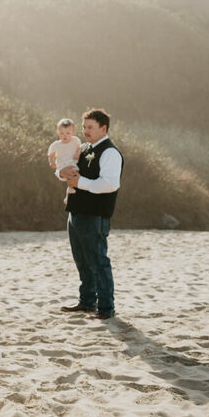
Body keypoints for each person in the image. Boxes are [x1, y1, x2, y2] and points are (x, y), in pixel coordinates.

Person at [58, 108, 123, 320]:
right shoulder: (83, 148)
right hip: (76, 212)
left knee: (98, 261)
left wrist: (80, 182)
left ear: (103, 128)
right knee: (82, 260)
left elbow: (110, 184)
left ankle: (106, 308)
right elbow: (68, 168)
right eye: (84, 127)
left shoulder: (110, 152)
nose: (85, 131)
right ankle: (86, 302)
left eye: (90, 127)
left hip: (95, 215)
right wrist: (61, 173)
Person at [48, 118, 82, 202]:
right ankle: (70, 192)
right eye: (62, 133)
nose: (65, 136)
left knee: (75, 176)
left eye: (68, 133)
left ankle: (69, 195)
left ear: (73, 133)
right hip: (62, 166)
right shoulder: (55, 145)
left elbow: (80, 148)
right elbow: (51, 155)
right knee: (71, 175)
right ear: (58, 133)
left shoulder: (75, 140)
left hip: (73, 163)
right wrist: (51, 162)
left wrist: (77, 153)